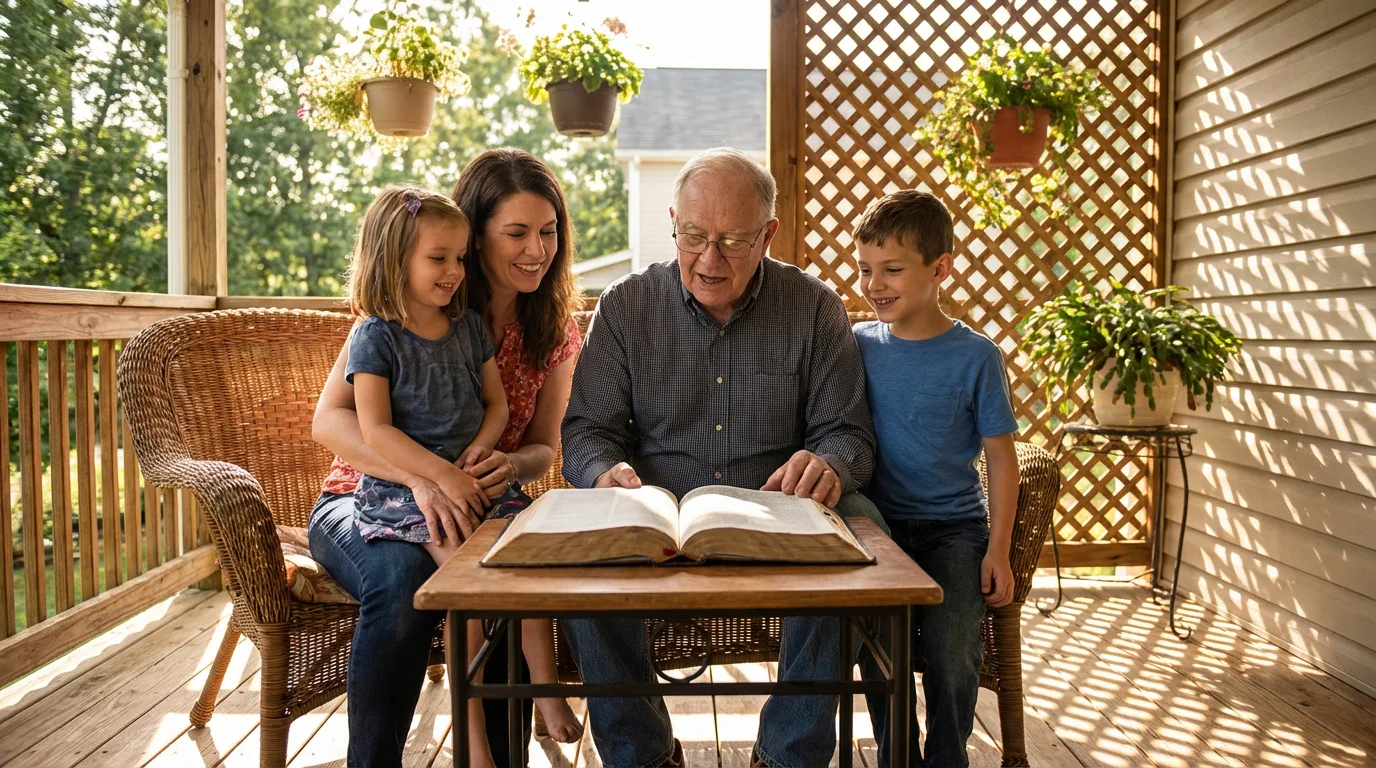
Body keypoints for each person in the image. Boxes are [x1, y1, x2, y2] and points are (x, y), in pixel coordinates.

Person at [560, 146, 884, 768]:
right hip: (658, 522)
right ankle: (643, 756)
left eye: (734, 241)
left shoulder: (816, 307)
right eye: (694, 236)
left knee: (860, 533)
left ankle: (789, 755)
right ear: (673, 222)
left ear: (769, 234)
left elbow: (848, 434)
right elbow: (587, 432)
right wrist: (606, 473)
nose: (710, 260)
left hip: (778, 517)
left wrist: (829, 464)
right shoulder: (626, 306)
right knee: (583, 565)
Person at [308, 148, 583, 768]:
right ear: (476, 232)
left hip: (477, 498)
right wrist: (424, 478)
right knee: (404, 583)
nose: (536, 249)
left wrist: (511, 466)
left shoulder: (555, 328)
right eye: (516, 233)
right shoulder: (413, 303)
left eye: (548, 232)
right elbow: (331, 419)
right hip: (360, 499)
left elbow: (543, 446)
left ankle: (496, 756)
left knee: (505, 573)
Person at [851, 190, 1020, 768]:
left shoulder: (977, 356)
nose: (875, 284)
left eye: (892, 270)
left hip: (954, 531)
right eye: (865, 269)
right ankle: (897, 756)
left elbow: (1001, 458)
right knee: (879, 651)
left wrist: (997, 549)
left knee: (953, 652)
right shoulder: (857, 345)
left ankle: (948, 758)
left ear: (940, 268)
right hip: (878, 533)